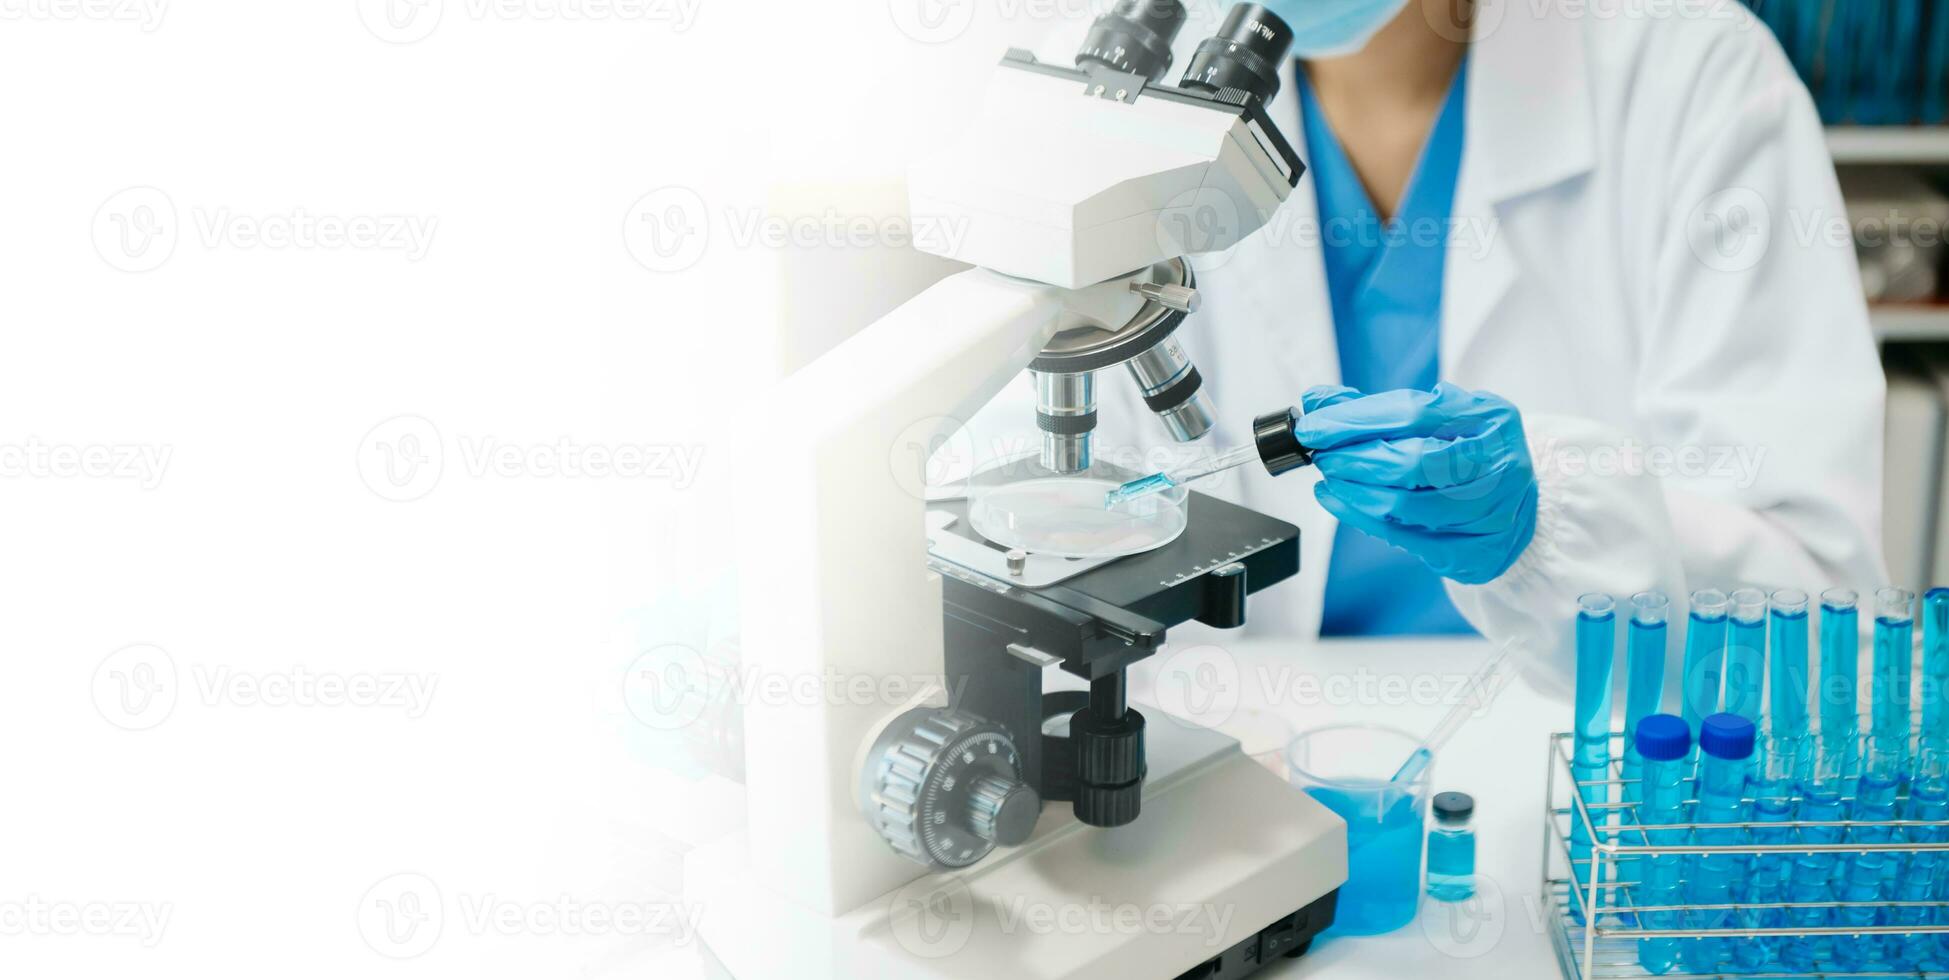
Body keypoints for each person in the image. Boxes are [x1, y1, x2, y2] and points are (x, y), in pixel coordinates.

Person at [975, 0, 1886, 686]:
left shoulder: (1693, 74)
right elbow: (1011, 494)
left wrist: (1559, 528)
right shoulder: (1106, 81)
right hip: (1240, 726)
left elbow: (1808, 606)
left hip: (1571, 741)